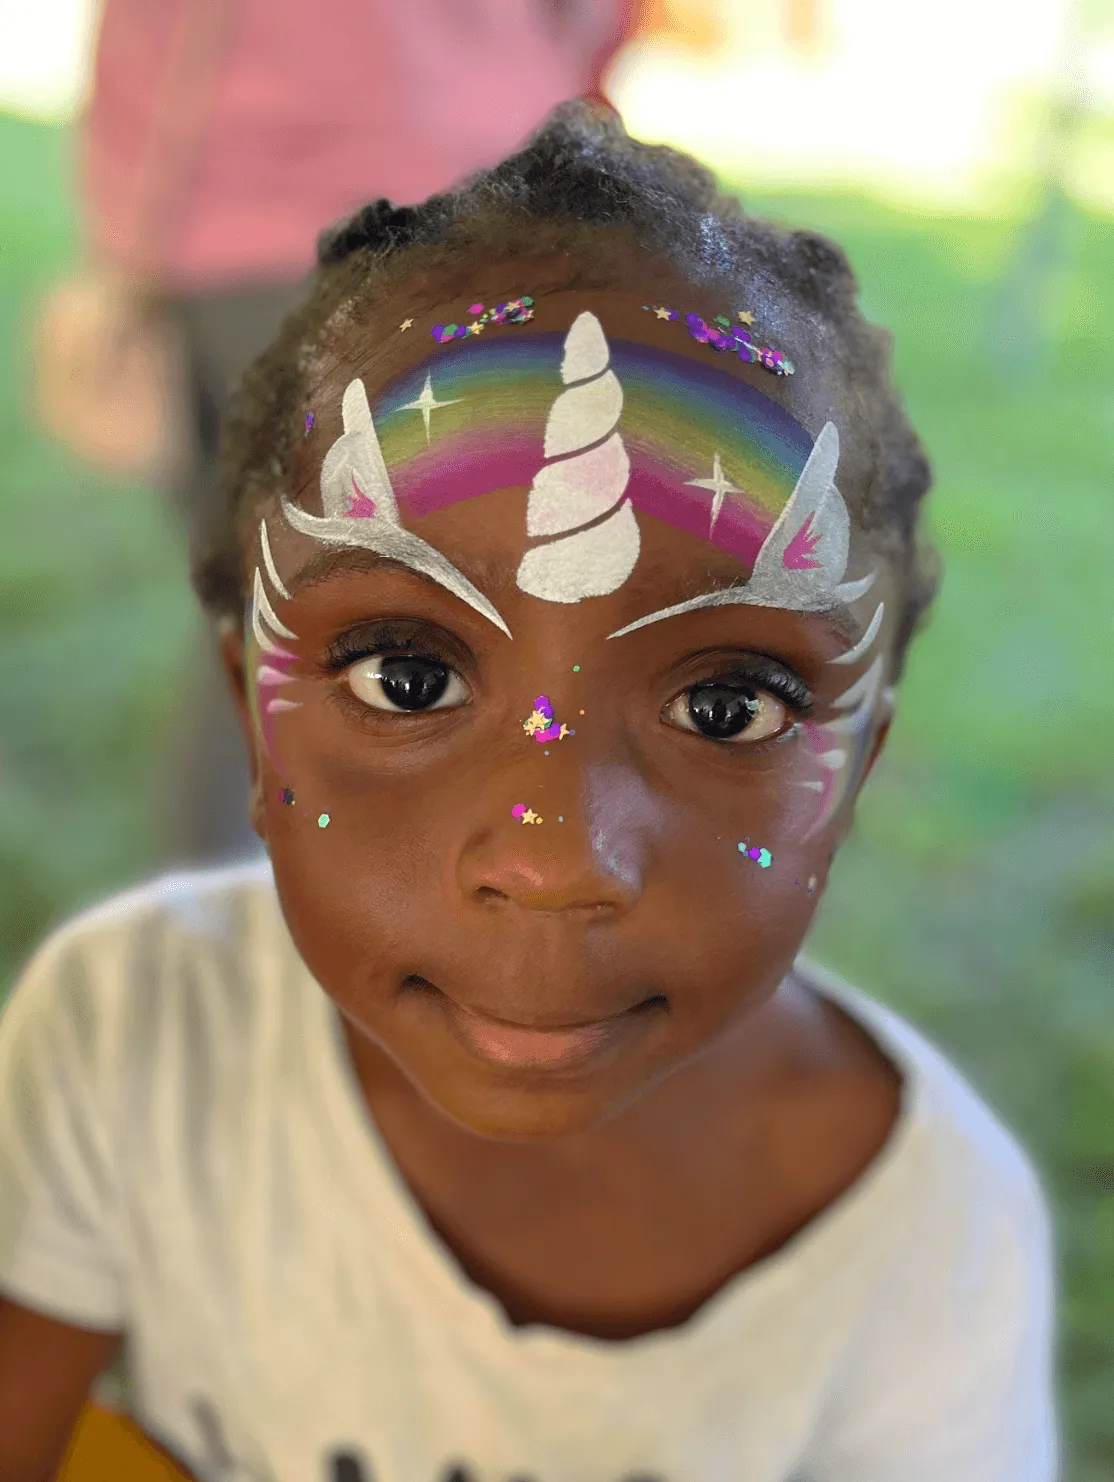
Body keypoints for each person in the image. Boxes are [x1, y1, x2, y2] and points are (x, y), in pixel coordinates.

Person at [1, 103, 1057, 1482]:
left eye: (725, 705)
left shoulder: (932, 1244)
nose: (557, 855)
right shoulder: (132, 1034)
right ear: (250, 719)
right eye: (406, 676)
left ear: (852, 770)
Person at [33, 0, 633, 869]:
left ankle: (249, 935)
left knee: (292, 626)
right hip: (447, 197)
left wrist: (123, 236)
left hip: (267, 219)